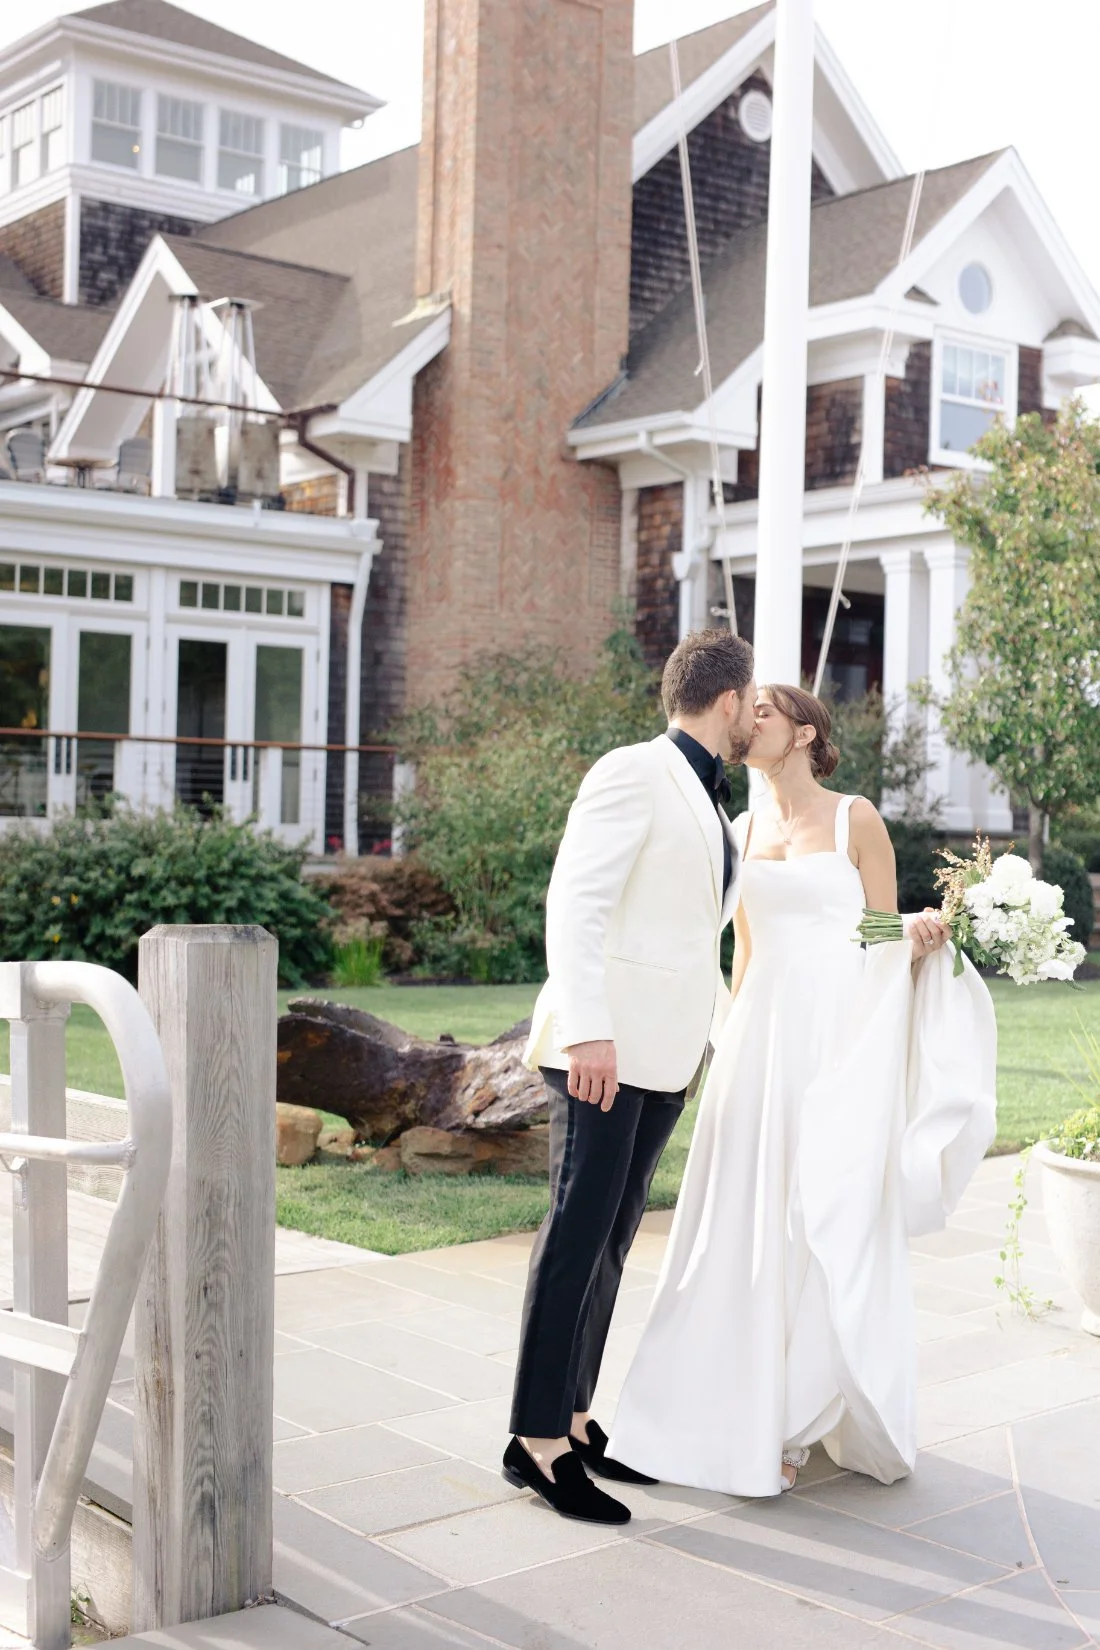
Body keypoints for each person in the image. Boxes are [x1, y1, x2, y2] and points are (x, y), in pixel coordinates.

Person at [608, 684, 997, 1497]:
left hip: (836, 1035)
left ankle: (796, 1415)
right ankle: (725, 1405)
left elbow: (875, 931)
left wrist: (921, 934)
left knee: (818, 1211)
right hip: (760, 1038)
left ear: (805, 730)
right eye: (746, 713)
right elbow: (745, 953)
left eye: (765, 714)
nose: (749, 723)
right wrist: (722, 1048)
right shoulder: (740, 829)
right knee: (742, 1216)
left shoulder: (857, 818)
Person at [504, 629, 757, 1525]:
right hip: (603, 1053)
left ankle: (573, 1419)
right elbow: (575, 904)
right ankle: (532, 1442)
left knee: (612, 1239)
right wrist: (587, 1034)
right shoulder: (630, 771)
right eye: (751, 702)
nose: (751, 716)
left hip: (665, 1055)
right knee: (576, 1234)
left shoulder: (716, 806)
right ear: (728, 702)